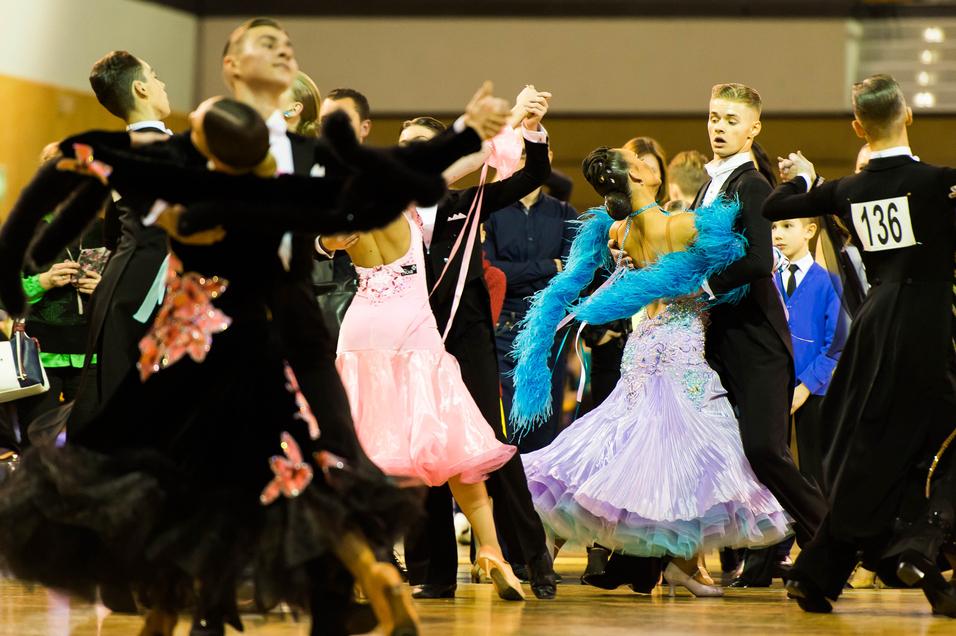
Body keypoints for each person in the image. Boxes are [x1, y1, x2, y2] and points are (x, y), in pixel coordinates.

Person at [0, 95, 468, 636]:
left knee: (165, 480)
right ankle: (374, 575)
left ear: (211, 149)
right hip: (256, 354)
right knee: (294, 474)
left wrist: (85, 165)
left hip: (188, 359)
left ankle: (165, 613)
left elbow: (123, 177)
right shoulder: (275, 200)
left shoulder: (191, 200)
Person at [512, 145, 791, 598]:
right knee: (695, 451)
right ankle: (682, 563)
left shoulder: (618, 231)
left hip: (641, 345)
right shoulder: (680, 225)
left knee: (624, 438)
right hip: (679, 345)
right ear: (636, 177)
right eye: (639, 161)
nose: (647, 162)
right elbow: (742, 255)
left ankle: (667, 562)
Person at [764, 74, 956, 617]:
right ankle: (917, 543)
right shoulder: (938, 182)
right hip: (927, 325)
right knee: (926, 441)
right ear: (909, 115)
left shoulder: (848, 190)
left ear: (857, 127)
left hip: (873, 328)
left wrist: (805, 179)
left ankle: (822, 571)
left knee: (876, 445)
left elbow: (775, 206)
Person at [392, 91, 559, 600]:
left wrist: (530, 130)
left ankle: (532, 560)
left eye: (422, 144)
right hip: (411, 342)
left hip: (467, 341)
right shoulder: (385, 210)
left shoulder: (465, 203)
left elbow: (532, 176)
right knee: (423, 452)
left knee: (492, 446)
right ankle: (434, 572)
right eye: (404, 145)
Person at [690, 83, 826, 588]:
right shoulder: (710, 184)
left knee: (767, 451)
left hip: (758, 341)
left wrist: (704, 286)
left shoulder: (750, 184)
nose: (719, 127)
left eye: (731, 120)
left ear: (753, 128)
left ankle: (831, 539)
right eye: (714, 117)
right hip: (721, 338)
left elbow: (758, 259)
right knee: (721, 451)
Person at [67, 51, 173, 432]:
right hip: (143, 284)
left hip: (125, 279)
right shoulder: (153, 146)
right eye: (155, 76)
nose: (162, 84)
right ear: (141, 88)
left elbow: (114, 230)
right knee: (133, 406)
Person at [484, 143, 579, 453]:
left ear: (548, 158)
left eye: (535, 154)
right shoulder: (491, 212)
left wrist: (520, 272)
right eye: (522, 154)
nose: (528, 161)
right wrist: (548, 266)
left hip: (549, 332)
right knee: (505, 429)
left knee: (544, 429)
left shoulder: (565, 213)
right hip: (503, 331)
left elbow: (571, 276)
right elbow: (492, 272)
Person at [15, 144, 106, 443]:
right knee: (38, 444)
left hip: (91, 354)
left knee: (89, 446)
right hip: (41, 356)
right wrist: (43, 281)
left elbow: (127, 288)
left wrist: (102, 287)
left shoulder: (105, 229)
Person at [770, 216, 843, 488]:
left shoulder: (829, 283)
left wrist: (806, 386)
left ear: (809, 231)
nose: (777, 234)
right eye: (773, 227)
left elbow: (836, 344)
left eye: (787, 226)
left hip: (814, 392)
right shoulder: (767, 282)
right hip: (774, 388)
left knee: (815, 471)